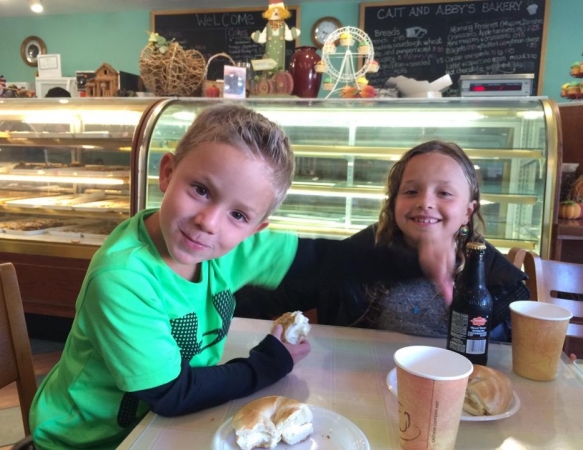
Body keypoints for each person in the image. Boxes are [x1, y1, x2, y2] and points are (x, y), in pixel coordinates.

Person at [29, 104, 449, 449]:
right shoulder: (124, 278)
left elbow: (322, 260)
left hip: (160, 425)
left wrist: (419, 264)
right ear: (167, 172)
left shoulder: (228, 249)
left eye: (238, 215)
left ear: (255, 230)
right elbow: (171, 394)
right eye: (201, 190)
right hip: (86, 440)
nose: (209, 222)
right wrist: (271, 361)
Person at [236, 140, 530, 342]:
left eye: (444, 193)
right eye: (411, 191)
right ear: (394, 203)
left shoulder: (499, 280)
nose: (425, 202)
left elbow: (512, 346)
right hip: (364, 382)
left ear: (468, 211)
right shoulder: (360, 255)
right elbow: (285, 292)